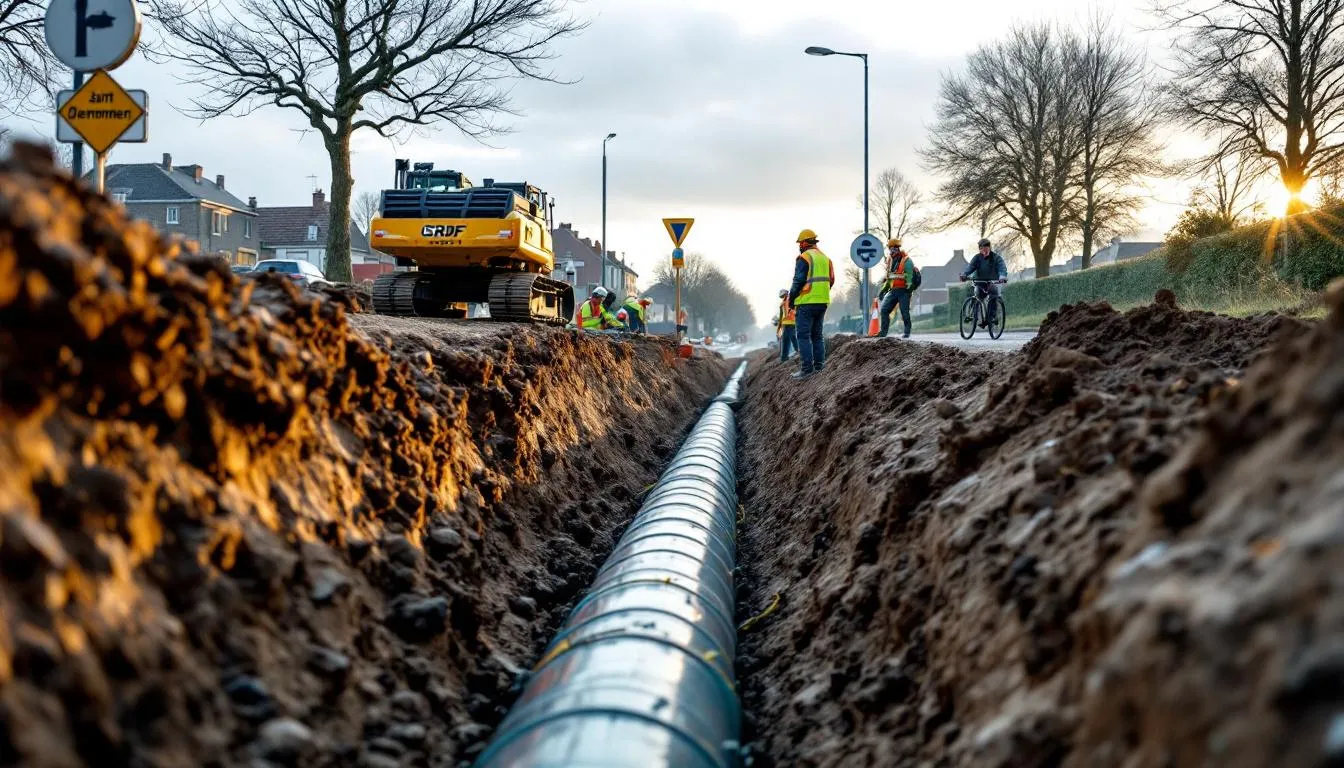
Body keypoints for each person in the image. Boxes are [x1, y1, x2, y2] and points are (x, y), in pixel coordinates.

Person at [787, 228, 834, 379]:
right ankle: (819, 366)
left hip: (806, 302)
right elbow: (831, 280)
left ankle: (806, 369)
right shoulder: (825, 258)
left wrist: (792, 299)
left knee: (803, 335)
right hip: (822, 302)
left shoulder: (804, 257)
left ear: (805, 243)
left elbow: (798, 281)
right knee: (817, 335)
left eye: (800, 243)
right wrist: (822, 293)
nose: (799, 245)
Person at [960, 238, 1009, 327]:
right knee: (978, 296)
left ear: (990, 248)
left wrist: (1002, 277)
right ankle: (976, 315)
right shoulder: (977, 258)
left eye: (987, 247)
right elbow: (970, 267)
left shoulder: (996, 258)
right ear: (980, 249)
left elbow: (1002, 268)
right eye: (983, 248)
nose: (985, 250)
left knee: (994, 295)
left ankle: (991, 317)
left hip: (992, 282)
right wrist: (965, 274)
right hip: (979, 281)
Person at [877, 237, 915, 339]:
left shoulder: (906, 260)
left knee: (904, 312)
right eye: (891, 248)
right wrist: (884, 290)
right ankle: (883, 333)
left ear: (898, 249)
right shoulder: (889, 261)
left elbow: (910, 275)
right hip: (893, 291)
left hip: (904, 291)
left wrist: (909, 284)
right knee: (884, 310)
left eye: (895, 248)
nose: (892, 250)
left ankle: (907, 332)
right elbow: (889, 278)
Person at [774, 288, 797, 362]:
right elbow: (781, 317)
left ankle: (798, 351)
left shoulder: (792, 301)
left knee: (792, 337)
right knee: (785, 340)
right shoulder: (782, 304)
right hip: (786, 324)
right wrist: (779, 328)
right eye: (782, 296)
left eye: (784, 295)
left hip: (791, 323)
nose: (784, 297)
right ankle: (784, 358)